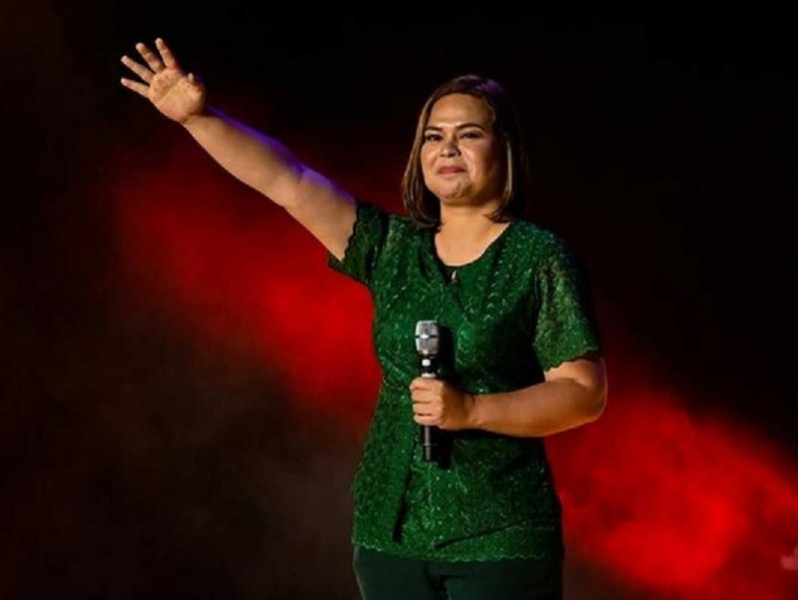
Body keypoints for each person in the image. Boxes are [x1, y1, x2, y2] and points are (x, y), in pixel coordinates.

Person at [120, 37, 609, 600]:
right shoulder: (394, 249)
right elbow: (290, 182)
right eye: (434, 136)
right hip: (389, 534)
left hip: (498, 536)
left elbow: (582, 392)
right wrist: (200, 120)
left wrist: (473, 409)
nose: (447, 148)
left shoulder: (538, 257)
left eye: (468, 134)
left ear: (505, 148)